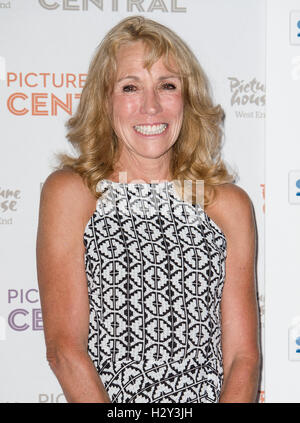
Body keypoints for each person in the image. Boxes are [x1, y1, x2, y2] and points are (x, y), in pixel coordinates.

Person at [36, 15, 260, 403]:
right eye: (130, 87)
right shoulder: (74, 193)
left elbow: (243, 358)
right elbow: (65, 349)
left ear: (186, 101)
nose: (151, 106)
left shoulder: (227, 205)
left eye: (167, 86)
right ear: (105, 102)